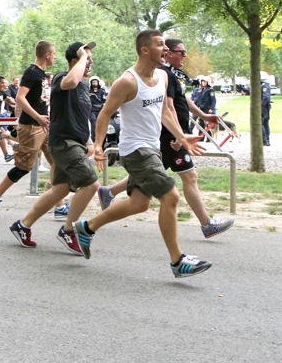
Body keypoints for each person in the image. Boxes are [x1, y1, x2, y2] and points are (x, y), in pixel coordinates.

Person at [74, 30, 211, 278]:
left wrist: (181, 137)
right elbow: (105, 114)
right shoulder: (127, 82)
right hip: (135, 150)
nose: (166, 50)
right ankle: (177, 261)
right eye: (160, 45)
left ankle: (87, 227)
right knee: (170, 196)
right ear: (145, 50)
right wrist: (98, 147)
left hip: (153, 148)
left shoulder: (162, 76)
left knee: (139, 204)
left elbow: (164, 112)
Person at [98, 39, 235, 238]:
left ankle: (98, 209)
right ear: (167, 53)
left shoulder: (168, 75)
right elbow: (167, 107)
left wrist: (203, 116)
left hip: (165, 138)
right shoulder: (154, 75)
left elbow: (181, 97)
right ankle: (203, 228)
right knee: (182, 184)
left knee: (140, 200)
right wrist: (178, 136)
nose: (184, 55)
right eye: (180, 51)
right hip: (165, 138)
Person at [10, 42, 100, 254]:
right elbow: (71, 81)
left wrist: (89, 143)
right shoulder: (62, 78)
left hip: (76, 142)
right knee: (91, 184)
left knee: (59, 189)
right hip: (64, 143)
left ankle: (23, 225)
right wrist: (81, 57)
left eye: (90, 58)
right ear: (74, 61)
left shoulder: (85, 86)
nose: (90, 61)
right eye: (86, 57)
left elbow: (81, 116)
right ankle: (68, 230)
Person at [0, 41, 56, 217]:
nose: (55, 56)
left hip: (44, 126)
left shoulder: (41, 74)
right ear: (47, 54)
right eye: (53, 53)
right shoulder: (32, 73)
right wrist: (38, 117)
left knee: (57, 162)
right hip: (31, 126)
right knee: (23, 167)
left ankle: (59, 204)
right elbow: (20, 98)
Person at [260, 79, 272, 146]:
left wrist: (261, 105)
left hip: (264, 107)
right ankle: (266, 140)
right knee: (265, 123)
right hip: (266, 107)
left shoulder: (264, 86)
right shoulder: (265, 85)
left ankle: (265, 140)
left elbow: (266, 97)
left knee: (263, 123)